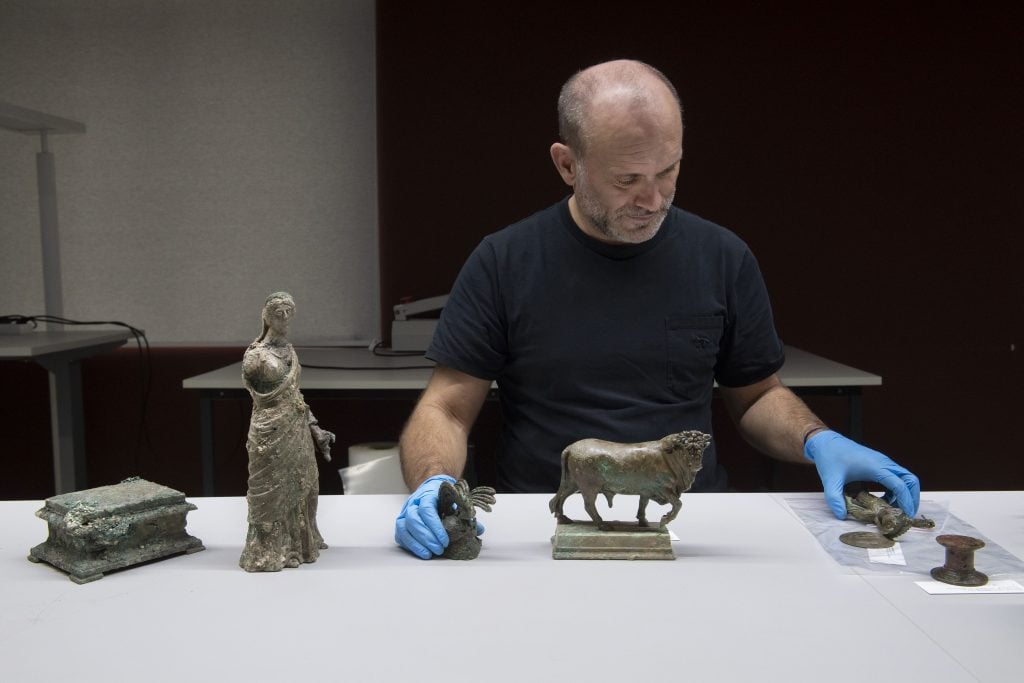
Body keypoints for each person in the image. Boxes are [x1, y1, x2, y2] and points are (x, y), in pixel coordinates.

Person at [394, 60, 919, 560]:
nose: (653, 199)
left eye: (668, 171)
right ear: (567, 164)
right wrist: (435, 481)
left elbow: (757, 396)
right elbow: (447, 408)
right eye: (627, 180)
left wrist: (817, 439)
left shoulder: (722, 257)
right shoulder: (503, 262)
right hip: (546, 524)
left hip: (688, 522)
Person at [239, 292, 335, 571]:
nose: (284, 318)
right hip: (269, 431)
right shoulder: (255, 357)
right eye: (279, 312)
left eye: (289, 312)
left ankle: (300, 545)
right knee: (269, 490)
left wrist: (315, 427)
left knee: (306, 483)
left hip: (297, 429)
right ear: (266, 316)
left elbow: (295, 396)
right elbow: (264, 398)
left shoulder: (290, 351)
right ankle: (267, 550)